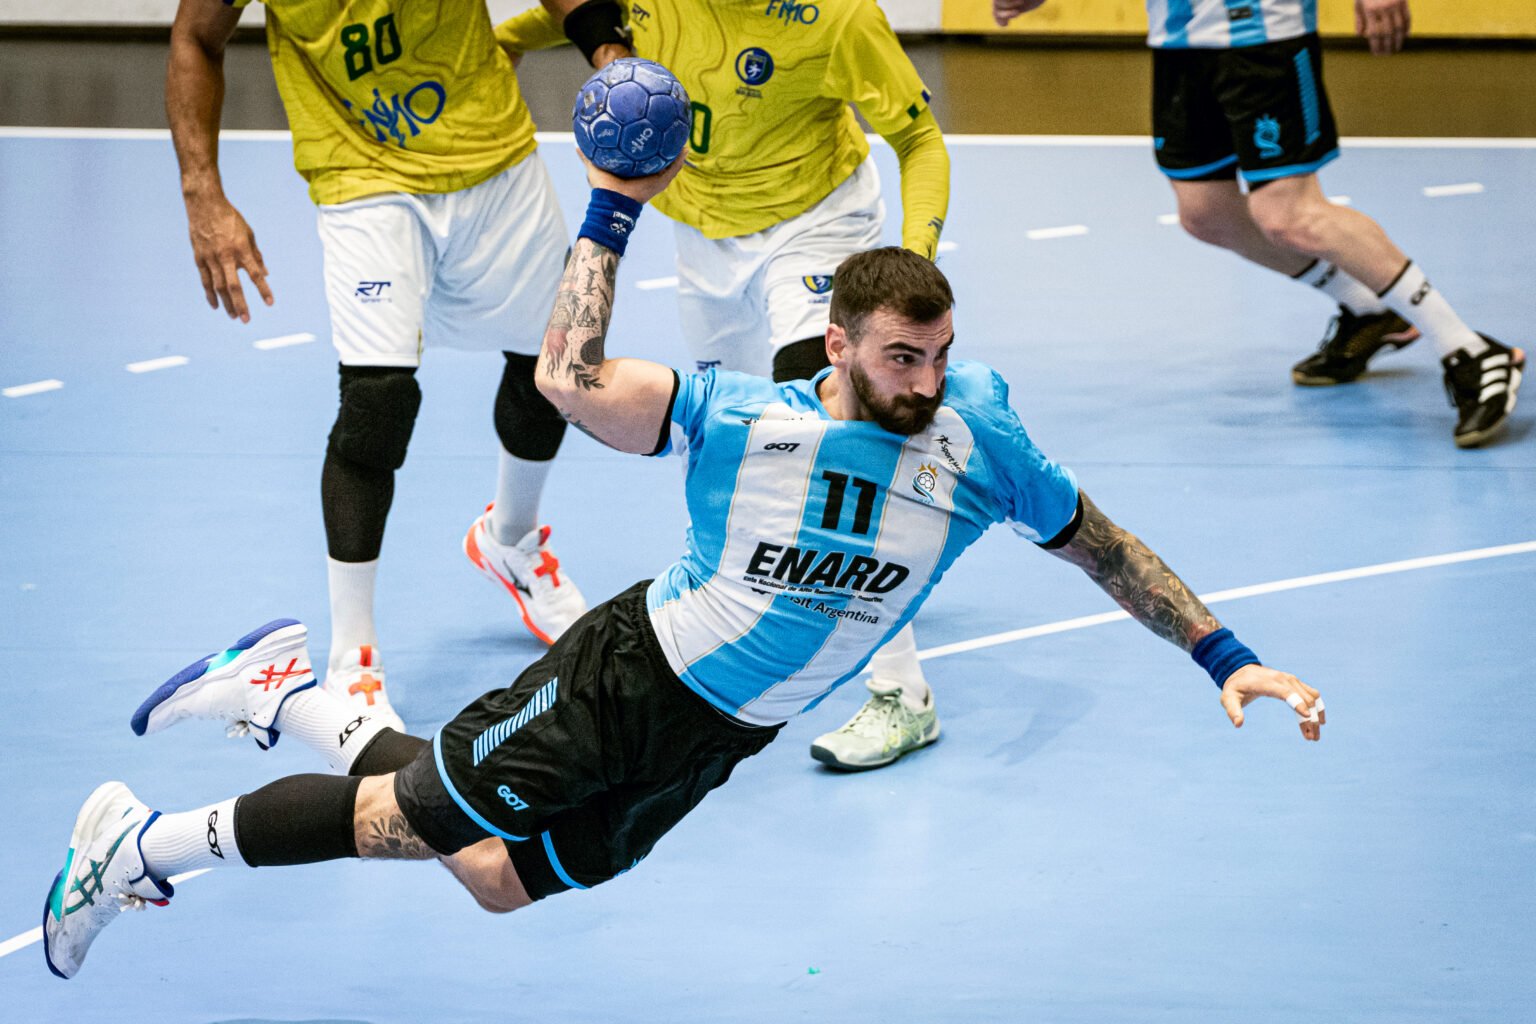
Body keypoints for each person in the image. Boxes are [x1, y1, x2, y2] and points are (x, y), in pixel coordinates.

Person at [43, 163, 1327, 980]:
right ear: (838, 343)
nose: (922, 383)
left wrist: (1229, 657)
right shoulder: (743, 417)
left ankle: (292, 701)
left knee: (492, 881)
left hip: (727, 735)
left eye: (938, 356)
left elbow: (1107, 548)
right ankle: (144, 845)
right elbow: (565, 379)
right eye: (898, 360)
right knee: (408, 824)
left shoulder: (980, 444)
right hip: (628, 675)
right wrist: (609, 205)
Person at [496, 0, 955, 769]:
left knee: (829, 432)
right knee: (735, 444)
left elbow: (919, 138)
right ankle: (722, 623)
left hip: (817, 220)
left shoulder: (839, 19)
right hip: (704, 233)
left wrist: (913, 259)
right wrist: (503, 43)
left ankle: (902, 694)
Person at [166, 0, 589, 731]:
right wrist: (204, 194)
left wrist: (606, 44)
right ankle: (352, 661)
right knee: (377, 404)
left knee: (551, 369)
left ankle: (509, 541)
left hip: (492, 154)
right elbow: (196, 37)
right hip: (362, 176)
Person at [994, 0, 1523, 447]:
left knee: (1292, 216)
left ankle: (1472, 350)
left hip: (1262, 35)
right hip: (1179, 40)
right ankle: (1369, 312)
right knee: (1208, 214)